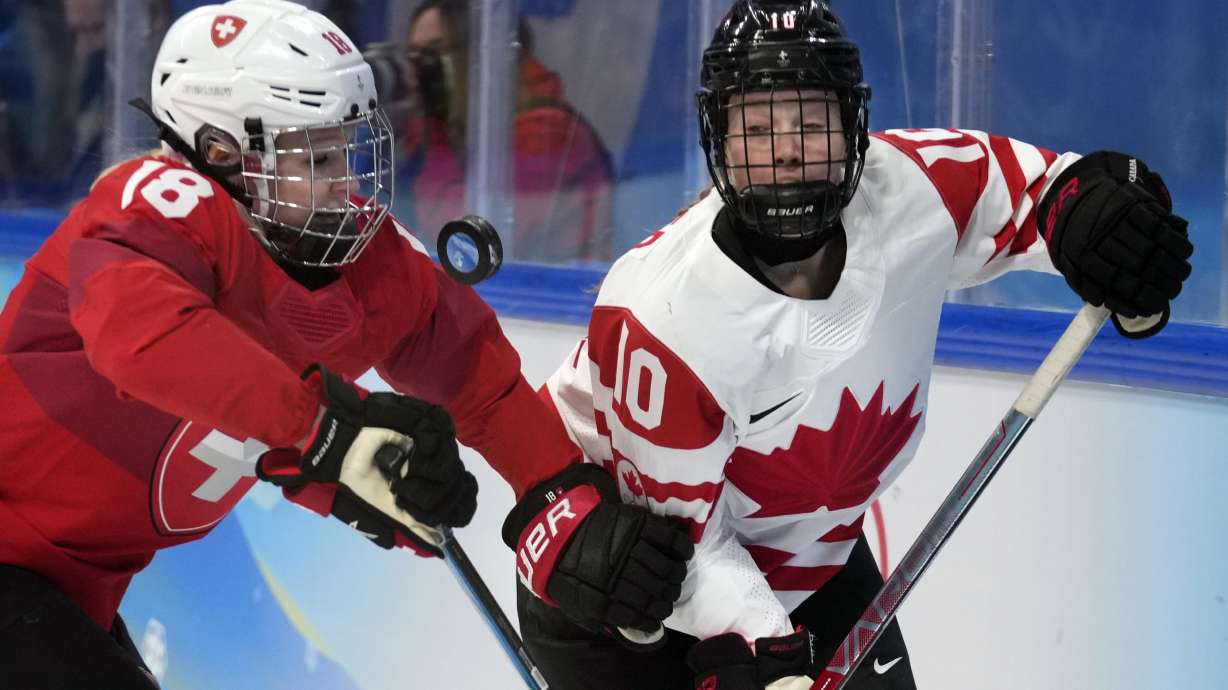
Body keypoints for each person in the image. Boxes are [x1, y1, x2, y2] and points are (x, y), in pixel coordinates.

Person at [502, 2, 1195, 689]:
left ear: (854, 127)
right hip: (631, 599)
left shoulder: (914, 187)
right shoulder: (662, 317)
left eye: (811, 121)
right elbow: (685, 551)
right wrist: (773, 662)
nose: (787, 148)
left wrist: (1101, 219)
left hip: (809, 558)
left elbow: (1047, 193)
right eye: (757, 126)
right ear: (718, 139)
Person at [0, 2, 668, 688]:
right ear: (221, 153)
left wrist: (558, 500)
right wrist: (329, 439)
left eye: (345, 149)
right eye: (314, 156)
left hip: (64, 594)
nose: (345, 181)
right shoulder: (154, 207)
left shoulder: (358, 257)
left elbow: (479, 379)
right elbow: (141, 333)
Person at [400, 0, 616, 263]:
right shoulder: (462, 134)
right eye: (413, 58)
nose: (417, 75)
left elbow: (461, 238)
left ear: (479, 58)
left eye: (433, 55)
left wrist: (431, 134)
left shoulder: (547, 133)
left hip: (552, 295)